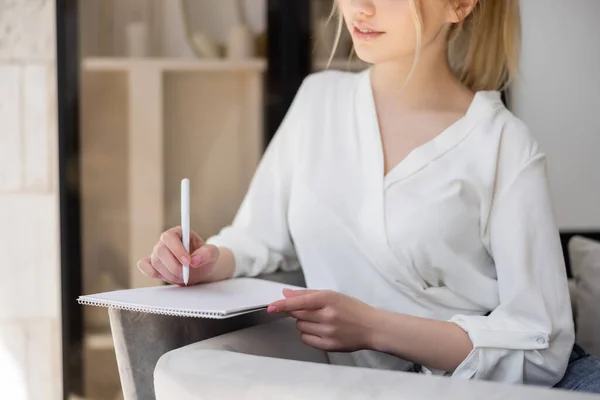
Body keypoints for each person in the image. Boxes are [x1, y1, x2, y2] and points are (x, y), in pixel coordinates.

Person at [138, 0, 600, 392]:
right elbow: (257, 237)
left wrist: (373, 327)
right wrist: (204, 260)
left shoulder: (502, 145)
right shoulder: (318, 102)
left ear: (459, 4)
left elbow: (542, 342)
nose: (360, 6)